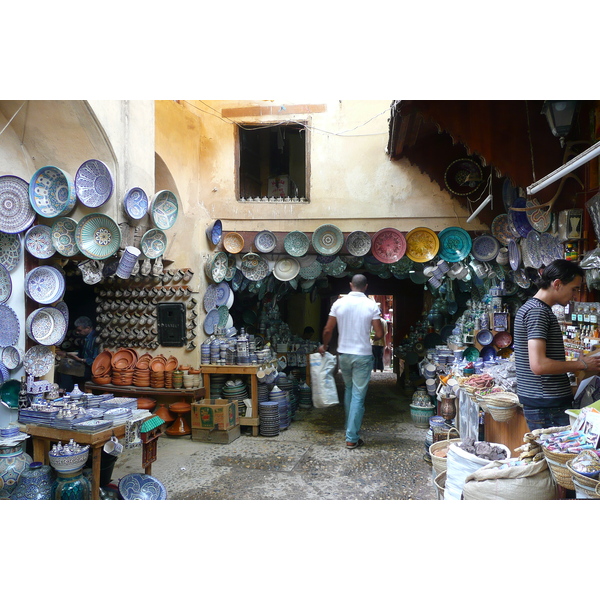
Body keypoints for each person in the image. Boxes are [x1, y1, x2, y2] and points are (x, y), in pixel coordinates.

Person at [514, 259, 600, 431]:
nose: (575, 295)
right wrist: (582, 364)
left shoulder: (536, 309)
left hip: (545, 403)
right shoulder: (537, 312)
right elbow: (539, 365)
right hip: (547, 406)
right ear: (557, 284)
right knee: (555, 456)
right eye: (574, 289)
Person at [318, 274, 384, 449]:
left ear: (350, 285)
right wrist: (369, 335)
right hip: (362, 355)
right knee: (358, 396)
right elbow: (379, 334)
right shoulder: (371, 305)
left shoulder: (339, 303)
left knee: (349, 390)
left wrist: (324, 345)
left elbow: (327, 329)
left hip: (344, 355)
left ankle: (350, 428)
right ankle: (352, 437)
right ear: (366, 286)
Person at [56, 316, 99, 387]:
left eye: (79, 330)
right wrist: (67, 354)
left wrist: (80, 360)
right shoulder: (85, 337)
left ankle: (66, 391)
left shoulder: (95, 339)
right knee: (64, 362)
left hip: (91, 369)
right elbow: (82, 352)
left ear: (88, 328)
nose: (77, 332)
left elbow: (94, 361)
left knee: (65, 366)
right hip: (83, 365)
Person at [371, 308, 388, 372]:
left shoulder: (373, 321)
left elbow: (371, 331)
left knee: (374, 356)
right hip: (381, 342)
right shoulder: (384, 321)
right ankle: (381, 369)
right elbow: (386, 332)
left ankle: (374, 369)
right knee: (380, 356)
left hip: (374, 342)